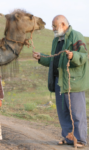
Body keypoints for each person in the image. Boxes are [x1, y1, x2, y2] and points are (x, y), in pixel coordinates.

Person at [33, 15, 89, 148]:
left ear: (63, 24)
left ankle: (80, 139)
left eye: (54, 25)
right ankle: (69, 138)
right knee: (63, 112)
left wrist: (73, 56)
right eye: (52, 25)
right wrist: (40, 58)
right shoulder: (57, 40)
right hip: (59, 81)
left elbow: (84, 55)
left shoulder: (76, 36)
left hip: (72, 81)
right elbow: (54, 60)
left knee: (76, 112)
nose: (52, 28)